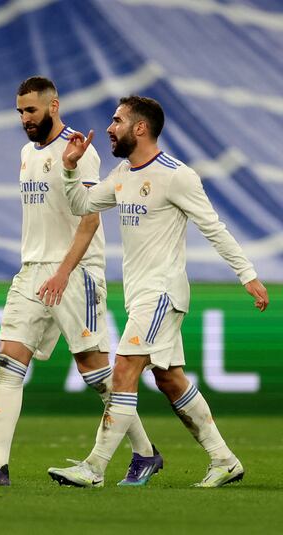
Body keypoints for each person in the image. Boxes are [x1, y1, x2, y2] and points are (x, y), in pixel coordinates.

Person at [48, 95, 269, 488]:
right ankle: (224, 459)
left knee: (124, 369)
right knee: (169, 379)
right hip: (140, 294)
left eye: (117, 121)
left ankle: (94, 467)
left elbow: (213, 227)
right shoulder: (121, 174)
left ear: (140, 128)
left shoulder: (176, 175)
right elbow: (82, 203)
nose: (110, 128)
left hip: (162, 293)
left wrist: (247, 275)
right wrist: (69, 168)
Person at [0, 77, 158, 487]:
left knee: (97, 374)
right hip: (32, 270)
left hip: (75, 272)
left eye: (31, 111)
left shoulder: (79, 150)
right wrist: (43, 270)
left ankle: (146, 453)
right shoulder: (27, 153)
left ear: (53, 106)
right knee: (8, 363)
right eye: (20, 112)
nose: (25, 119)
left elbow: (90, 217)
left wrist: (63, 273)